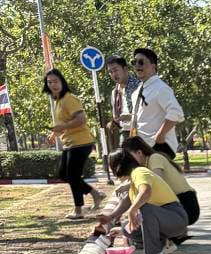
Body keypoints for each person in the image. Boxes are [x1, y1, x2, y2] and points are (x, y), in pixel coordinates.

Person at [95, 135, 200, 233]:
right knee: (134, 227)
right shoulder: (141, 169)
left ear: (139, 153)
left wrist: (127, 187)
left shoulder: (154, 158)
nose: (127, 160)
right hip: (177, 206)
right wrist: (111, 216)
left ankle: (172, 234)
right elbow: (128, 198)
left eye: (129, 156)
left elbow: (157, 181)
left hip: (186, 204)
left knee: (144, 211)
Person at [106, 146, 189, 254]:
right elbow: (128, 201)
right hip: (166, 219)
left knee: (144, 207)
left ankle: (154, 253)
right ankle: (165, 245)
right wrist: (112, 219)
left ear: (118, 166)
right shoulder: (133, 182)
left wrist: (132, 210)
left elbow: (146, 192)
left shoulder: (139, 172)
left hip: (175, 217)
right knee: (128, 228)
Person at [44, 70, 104, 220]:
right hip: (70, 144)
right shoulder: (58, 101)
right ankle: (95, 194)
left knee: (72, 176)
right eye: (49, 82)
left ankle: (79, 210)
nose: (53, 85)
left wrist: (62, 128)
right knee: (64, 174)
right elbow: (63, 124)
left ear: (62, 81)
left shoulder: (69, 98)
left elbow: (81, 120)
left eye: (55, 81)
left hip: (80, 142)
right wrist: (54, 134)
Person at [131, 48, 184, 159]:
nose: (137, 66)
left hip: (160, 146)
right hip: (143, 147)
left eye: (141, 62)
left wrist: (160, 135)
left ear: (153, 66)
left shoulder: (161, 88)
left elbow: (176, 112)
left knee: (157, 176)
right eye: (134, 62)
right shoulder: (137, 92)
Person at [106, 55, 139, 150]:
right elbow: (117, 116)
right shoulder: (115, 92)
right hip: (125, 132)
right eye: (110, 72)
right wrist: (113, 123)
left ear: (125, 69)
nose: (113, 74)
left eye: (115, 70)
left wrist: (130, 117)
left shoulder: (138, 87)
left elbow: (147, 113)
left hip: (141, 132)